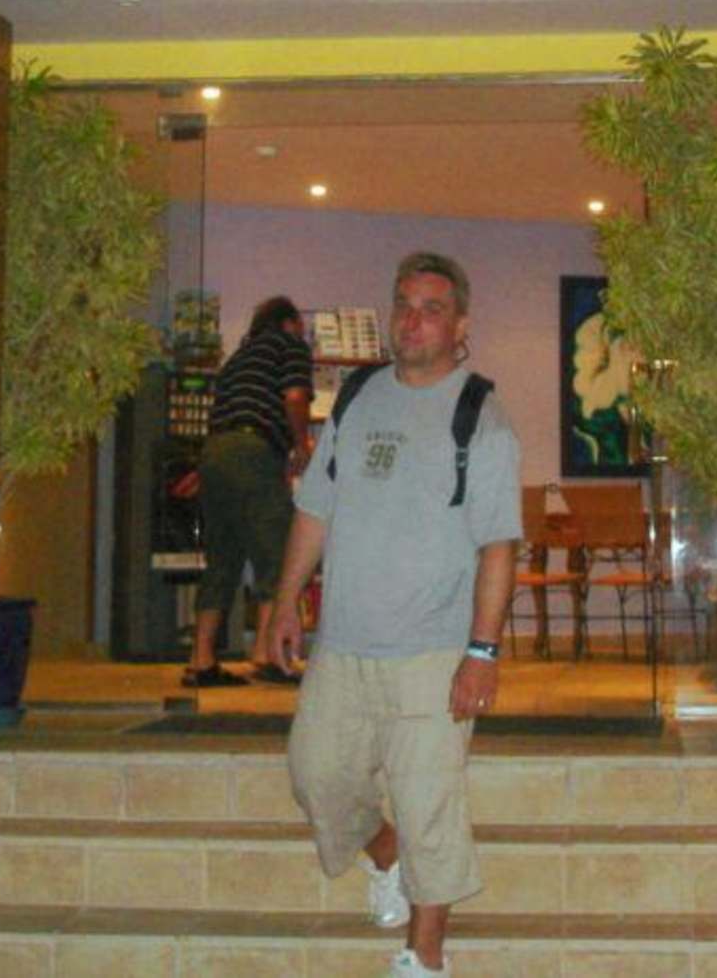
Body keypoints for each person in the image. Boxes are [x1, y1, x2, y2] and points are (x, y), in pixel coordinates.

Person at [268, 252, 521, 978]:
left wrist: (482, 652)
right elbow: (316, 509)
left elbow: (499, 546)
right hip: (343, 644)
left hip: (433, 652)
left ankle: (425, 956)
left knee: (428, 804)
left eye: (431, 309)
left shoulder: (481, 416)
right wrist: (285, 602)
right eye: (403, 305)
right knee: (316, 775)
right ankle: (385, 854)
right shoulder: (356, 398)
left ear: (460, 325)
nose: (412, 321)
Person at [184, 294, 315, 688]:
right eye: (301, 326)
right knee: (277, 552)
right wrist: (302, 445)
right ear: (288, 323)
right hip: (254, 451)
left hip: (216, 452)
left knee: (222, 559)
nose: (304, 333)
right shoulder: (290, 345)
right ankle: (267, 654)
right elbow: (294, 396)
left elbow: (221, 415)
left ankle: (201, 661)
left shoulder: (237, 360)